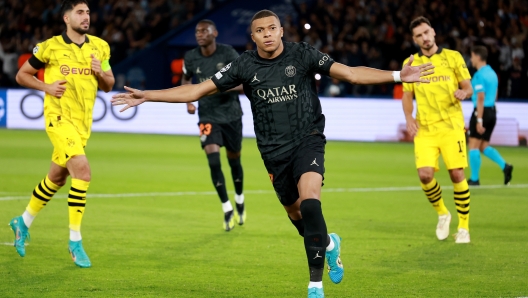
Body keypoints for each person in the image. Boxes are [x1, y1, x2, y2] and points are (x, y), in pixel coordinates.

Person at [112, 10, 433, 298]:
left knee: (310, 203)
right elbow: (196, 89)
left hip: (308, 139)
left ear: (281, 31)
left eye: (272, 28)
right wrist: (149, 95)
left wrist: (396, 76)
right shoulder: (243, 65)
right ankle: (331, 244)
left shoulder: (303, 54)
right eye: (260, 30)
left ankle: (315, 286)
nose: (267, 33)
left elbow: (349, 73)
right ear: (252, 37)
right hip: (272, 152)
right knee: (297, 217)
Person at [10, 0, 115, 268]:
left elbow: (109, 84)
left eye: (88, 12)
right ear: (66, 18)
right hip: (58, 119)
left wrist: (99, 72)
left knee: (56, 177)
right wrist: (46, 88)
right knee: (83, 171)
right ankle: (75, 241)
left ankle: (22, 222)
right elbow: (22, 75)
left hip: (83, 124)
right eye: (80, 12)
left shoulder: (100, 47)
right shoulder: (49, 47)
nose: (86, 17)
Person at [401, 17, 473, 244]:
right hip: (426, 128)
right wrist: (408, 117)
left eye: (426, 32)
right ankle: (443, 213)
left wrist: (464, 93)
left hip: (452, 126)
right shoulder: (411, 63)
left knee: (457, 174)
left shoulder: (453, 57)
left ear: (433, 32)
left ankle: (464, 227)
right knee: (424, 175)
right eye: (419, 35)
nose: (424, 37)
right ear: (415, 40)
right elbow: (406, 94)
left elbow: (468, 86)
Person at [182, 19, 246, 231]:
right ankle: (227, 207)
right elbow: (186, 80)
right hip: (207, 116)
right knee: (213, 161)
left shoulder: (228, 54)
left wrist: (217, 88)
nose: (199, 34)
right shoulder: (191, 57)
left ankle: (239, 197)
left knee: (234, 161)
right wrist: (189, 100)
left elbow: (243, 82)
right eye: (197, 31)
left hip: (232, 115)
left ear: (215, 33)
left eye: (204, 31)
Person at [467, 45, 513, 186]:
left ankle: (474, 179)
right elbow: (495, 94)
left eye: (472, 56)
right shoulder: (492, 73)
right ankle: (505, 166)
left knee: (473, 146)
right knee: (484, 145)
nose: (471, 59)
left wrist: (479, 119)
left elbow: (480, 97)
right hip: (492, 110)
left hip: (482, 111)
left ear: (478, 57)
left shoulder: (479, 75)